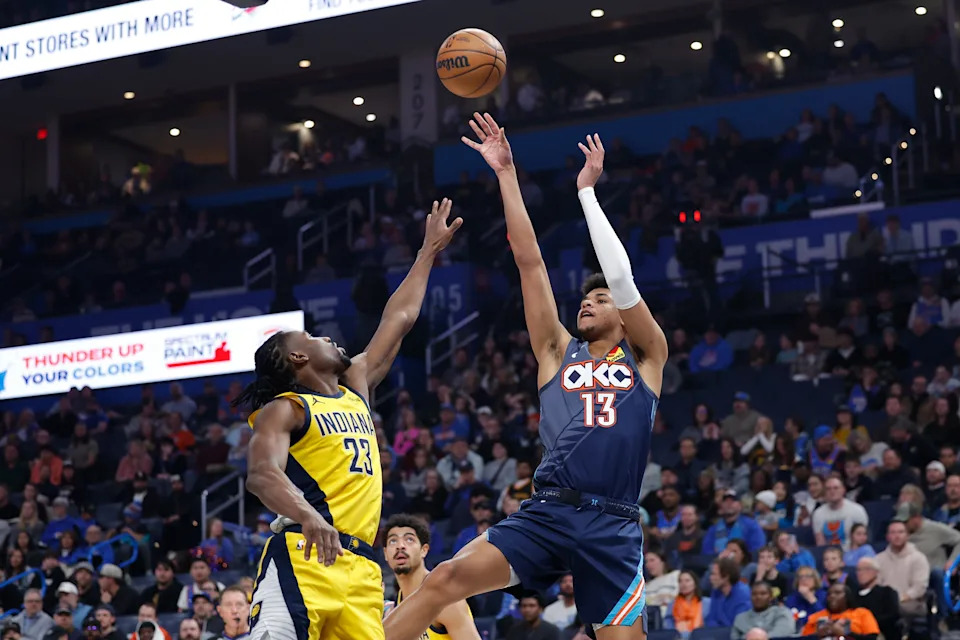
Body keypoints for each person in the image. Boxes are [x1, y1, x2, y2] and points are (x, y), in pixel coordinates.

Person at [384, 119, 667, 640]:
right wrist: (506, 174)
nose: (588, 300)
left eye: (601, 299)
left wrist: (586, 193)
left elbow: (622, 279)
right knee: (444, 577)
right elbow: (530, 262)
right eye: (586, 296)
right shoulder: (557, 351)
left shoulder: (647, 357)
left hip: (613, 524)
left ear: (627, 316)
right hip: (548, 510)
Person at [241, 198, 462, 640]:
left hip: (362, 569)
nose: (326, 334)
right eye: (311, 336)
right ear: (299, 357)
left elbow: (399, 318)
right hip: (305, 553)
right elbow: (261, 475)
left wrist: (426, 253)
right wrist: (308, 515)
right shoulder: (286, 408)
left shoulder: (356, 385)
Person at [383, 515, 479, 639]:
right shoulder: (393, 609)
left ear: (424, 550)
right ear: (385, 554)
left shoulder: (445, 598)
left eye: (409, 539)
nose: (400, 546)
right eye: (393, 541)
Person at [800, 583, 880, 638]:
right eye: (829, 594)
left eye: (837, 593)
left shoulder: (862, 613)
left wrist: (846, 634)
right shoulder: (816, 617)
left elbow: (872, 638)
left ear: (847, 596)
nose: (832, 596)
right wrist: (817, 635)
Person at [811, 477, 868, 550]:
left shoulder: (857, 510)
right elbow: (820, 542)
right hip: (831, 557)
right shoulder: (818, 514)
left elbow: (862, 540)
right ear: (824, 492)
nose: (832, 491)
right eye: (828, 489)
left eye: (836, 488)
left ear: (843, 490)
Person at [853, 557, 900, 640]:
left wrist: (868, 623)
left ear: (876, 572)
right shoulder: (852, 595)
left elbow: (892, 615)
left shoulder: (887, 592)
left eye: (866, 569)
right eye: (858, 570)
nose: (861, 573)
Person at [730, 583, 794, 640]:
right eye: (754, 594)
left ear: (771, 597)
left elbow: (784, 633)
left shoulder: (783, 612)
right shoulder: (740, 618)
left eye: (763, 593)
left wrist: (755, 637)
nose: (758, 597)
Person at [705, 558, 751, 627]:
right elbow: (711, 619)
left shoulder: (743, 594)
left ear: (726, 576)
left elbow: (738, 626)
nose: (710, 578)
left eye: (714, 574)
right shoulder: (715, 591)